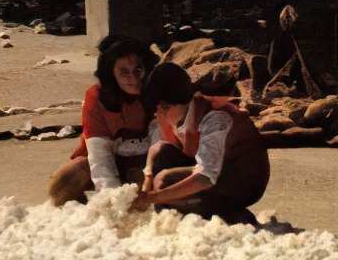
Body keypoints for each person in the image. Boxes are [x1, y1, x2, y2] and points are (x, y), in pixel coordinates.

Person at [136, 62, 270, 221]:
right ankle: (195, 207)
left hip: (242, 181)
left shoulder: (215, 117)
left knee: (164, 182)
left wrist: (153, 197)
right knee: (162, 156)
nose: (159, 116)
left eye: (159, 110)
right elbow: (159, 148)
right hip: (219, 170)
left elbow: (205, 177)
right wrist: (148, 175)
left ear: (166, 104)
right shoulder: (185, 113)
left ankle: (231, 214)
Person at [48, 35, 159, 205]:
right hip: (107, 160)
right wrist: (112, 198)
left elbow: (160, 143)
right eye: (124, 73)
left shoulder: (155, 94)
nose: (132, 77)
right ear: (111, 73)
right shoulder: (95, 99)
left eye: (137, 71)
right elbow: (99, 157)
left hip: (145, 163)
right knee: (67, 181)